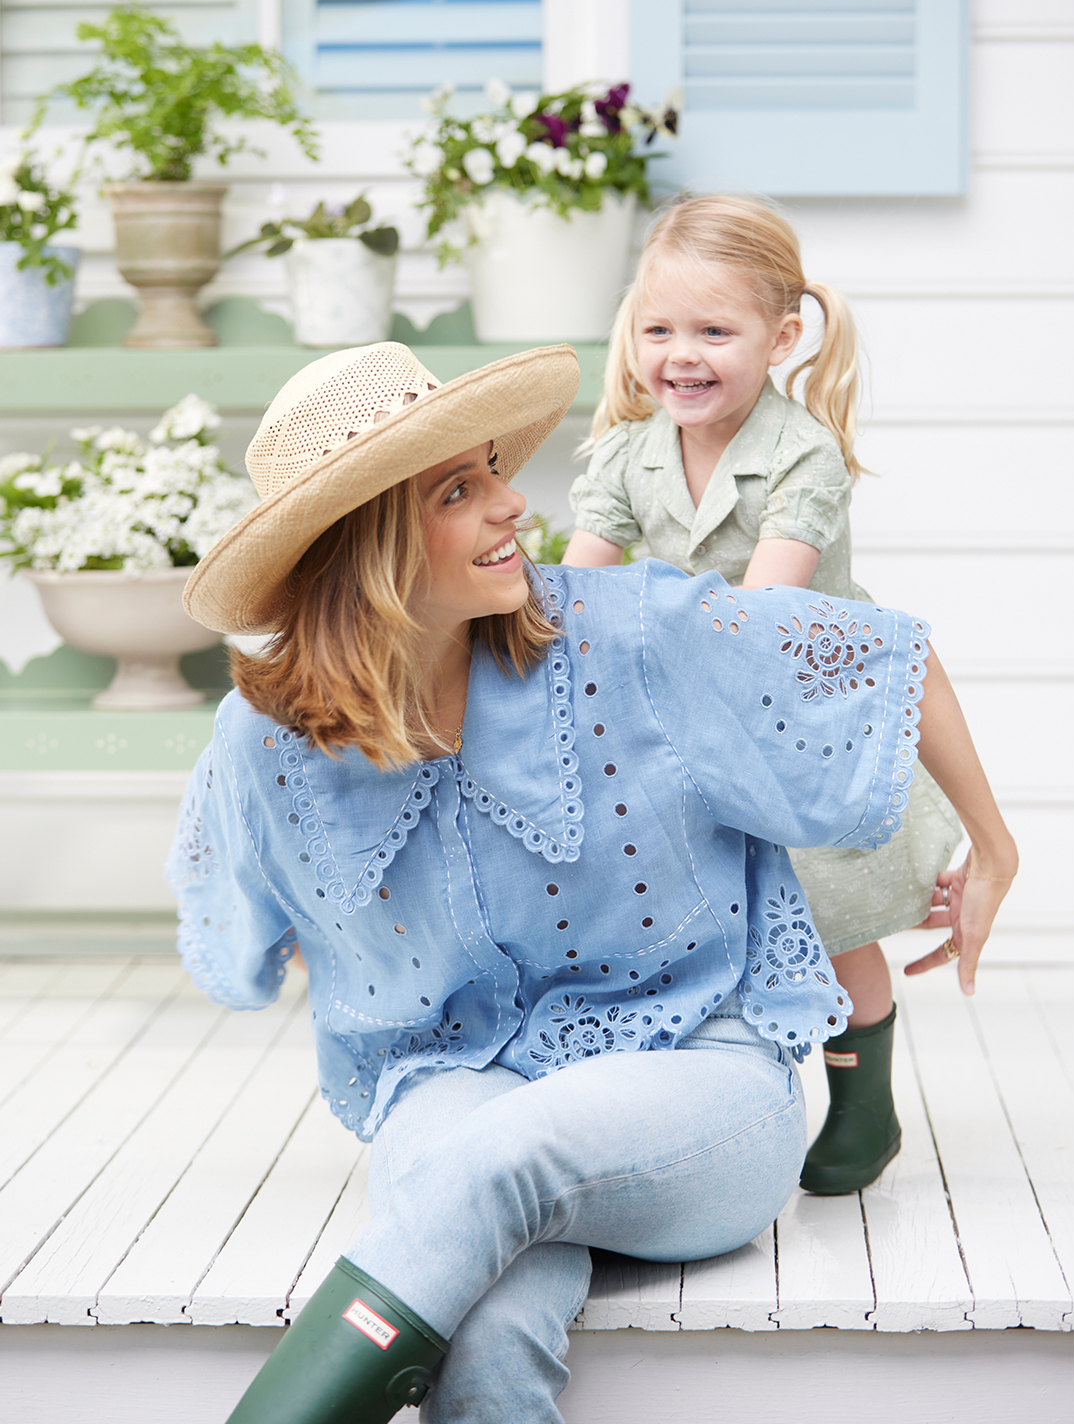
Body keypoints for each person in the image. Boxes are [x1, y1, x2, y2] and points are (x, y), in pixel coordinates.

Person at [169, 341, 1015, 1424]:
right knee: (486, 1319)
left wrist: (993, 843)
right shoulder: (264, 737)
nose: (515, 504)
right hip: (450, 1086)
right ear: (366, 540)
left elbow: (882, 657)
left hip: (693, 1076)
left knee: (492, 1163)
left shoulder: (633, 634)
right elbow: (236, 932)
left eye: (492, 472)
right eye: (459, 490)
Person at [561, 194, 962, 1194]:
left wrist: (634, 629)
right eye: (659, 330)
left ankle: (864, 1098)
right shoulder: (623, 452)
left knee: (832, 920)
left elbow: (756, 616)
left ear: (781, 338)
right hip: (686, 723)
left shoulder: (800, 454)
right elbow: (577, 588)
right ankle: (711, 1099)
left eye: (713, 331)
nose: (680, 355)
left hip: (803, 723)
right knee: (688, 917)